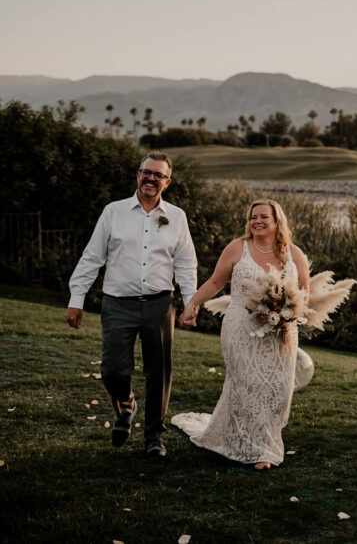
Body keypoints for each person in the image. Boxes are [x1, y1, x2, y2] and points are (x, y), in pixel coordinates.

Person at [65, 151, 197, 459]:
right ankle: (125, 406)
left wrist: (190, 303)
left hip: (159, 305)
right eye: (145, 172)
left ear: (167, 181)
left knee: (159, 373)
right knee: (113, 369)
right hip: (117, 304)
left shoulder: (176, 216)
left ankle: (154, 438)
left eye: (158, 174)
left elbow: (186, 263)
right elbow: (93, 257)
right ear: (138, 175)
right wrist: (76, 298)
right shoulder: (114, 211)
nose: (150, 178)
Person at [172, 200, 310, 470]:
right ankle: (261, 451)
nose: (256, 222)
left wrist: (288, 312)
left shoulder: (294, 254)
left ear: (276, 221)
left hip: (281, 331)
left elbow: (303, 293)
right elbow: (215, 281)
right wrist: (192, 304)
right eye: (252, 217)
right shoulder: (238, 248)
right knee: (246, 384)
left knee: (278, 389)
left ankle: (256, 439)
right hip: (241, 328)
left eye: (263, 217)